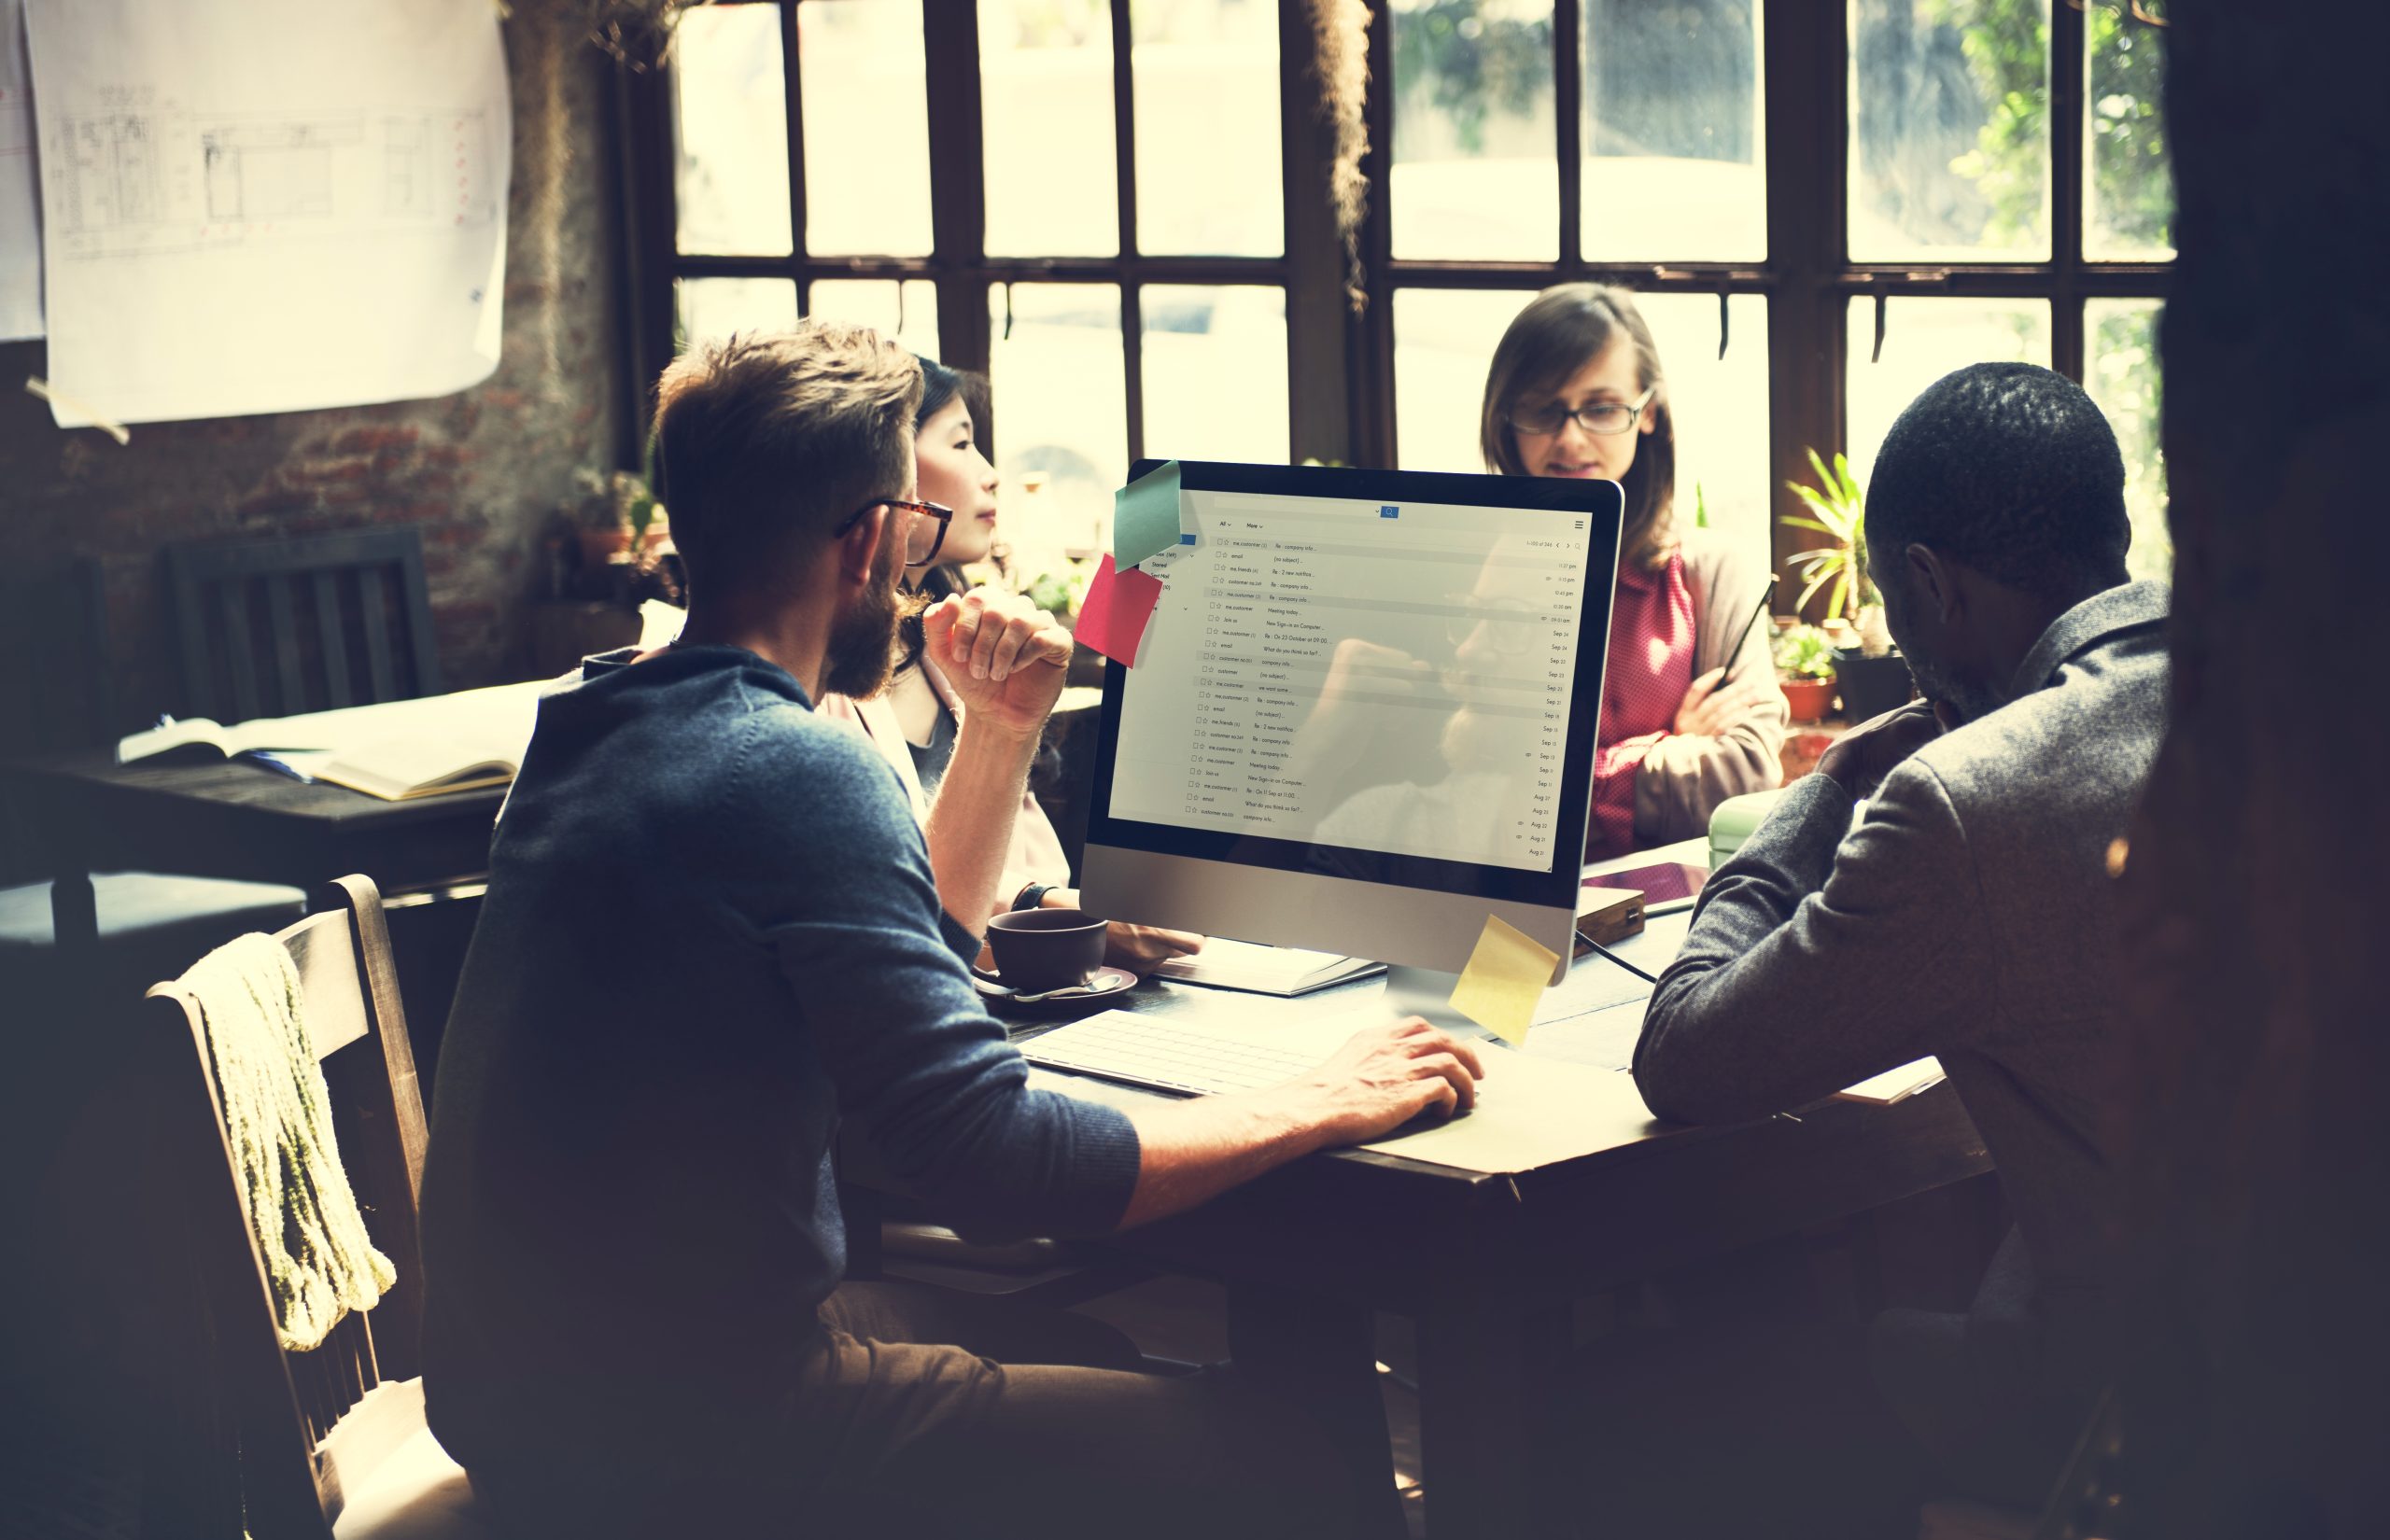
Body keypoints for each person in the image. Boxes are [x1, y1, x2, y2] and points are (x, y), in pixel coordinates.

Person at [417, 322, 1483, 1540]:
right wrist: (1318, 1098)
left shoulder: (596, 724)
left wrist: (997, 727)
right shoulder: (795, 763)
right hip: (698, 1441)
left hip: (530, 1406)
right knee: (1287, 1455)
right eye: (915, 534)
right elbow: (997, 1165)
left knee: (1077, 1343)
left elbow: (893, 956)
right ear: (873, 538)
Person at [1616, 361, 2168, 1532]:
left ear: (1925, 587)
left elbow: (1685, 1057)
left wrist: (1836, 781)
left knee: (1651, 1397)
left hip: (2164, 1411)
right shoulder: (2298, 683)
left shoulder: (1963, 803)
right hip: (2327, 1356)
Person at [818, 356, 1201, 974]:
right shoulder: (814, 679)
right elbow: (891, 894)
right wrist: (1049, 908)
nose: (992, 475)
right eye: (963, 444)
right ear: (891, 469)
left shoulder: (951, 631)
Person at [1480, 283, 1785, 859]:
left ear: (1649, 414)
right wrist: (1672, 748)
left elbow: (1747, 776)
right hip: (1506, 912)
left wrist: (1579, 780)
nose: (1570, 439)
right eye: (1544, 410)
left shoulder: (1714, 573)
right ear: (1507, 419)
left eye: (1600, 408)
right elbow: (1485, 794)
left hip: (1676, 915)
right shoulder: (1477, 576)